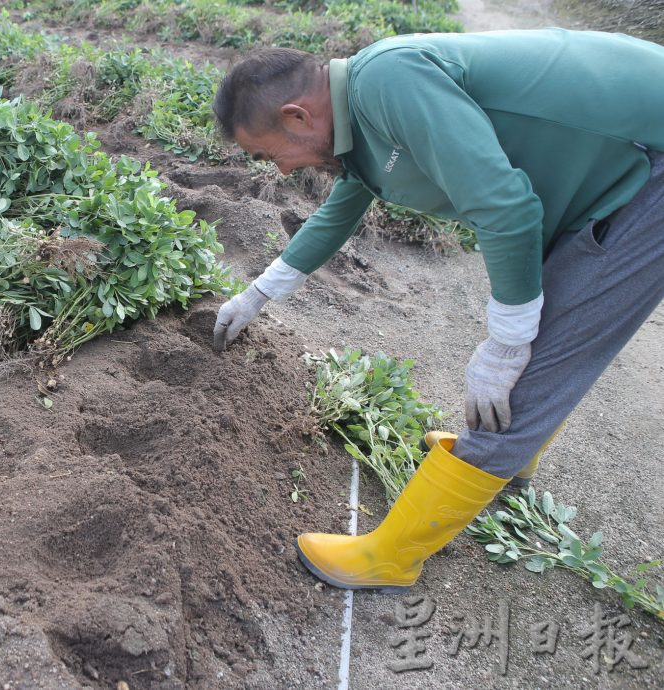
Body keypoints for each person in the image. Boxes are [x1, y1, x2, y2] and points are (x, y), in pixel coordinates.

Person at [211, 29, 664, 591]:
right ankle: (514, 459)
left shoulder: (389, 80)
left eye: (267, 154)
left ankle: (393, 556)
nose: (279, 172)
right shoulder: (361, 111)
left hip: (651, 170)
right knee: (541, 318)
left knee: (533, 359)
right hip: (620, 165)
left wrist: (504, 345)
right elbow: (343, 207)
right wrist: (260, 293)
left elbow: (507, 208)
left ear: (299, 117)